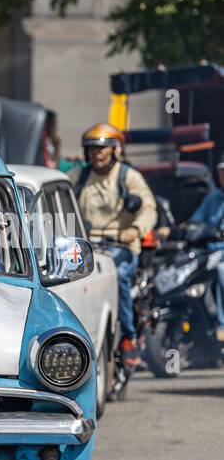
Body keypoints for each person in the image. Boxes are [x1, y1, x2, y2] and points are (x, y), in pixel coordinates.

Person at [69, 123, 156, 349]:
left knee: (117, 277)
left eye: (102, 148)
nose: (96, 153)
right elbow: (57, 205)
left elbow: (149, 208)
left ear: (116, 150)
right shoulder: (77, 177)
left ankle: (128, 337)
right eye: (91, 149)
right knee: (61, 276)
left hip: (120, 245)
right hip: (85, 245)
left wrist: (135, 230)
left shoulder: (129, 177)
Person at [185, 157, 224, 343]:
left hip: (221, 255)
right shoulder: (213, 198)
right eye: (222, 172)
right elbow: (196, 221)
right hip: (209, 251)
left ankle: (222, 324)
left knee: (221, 271)